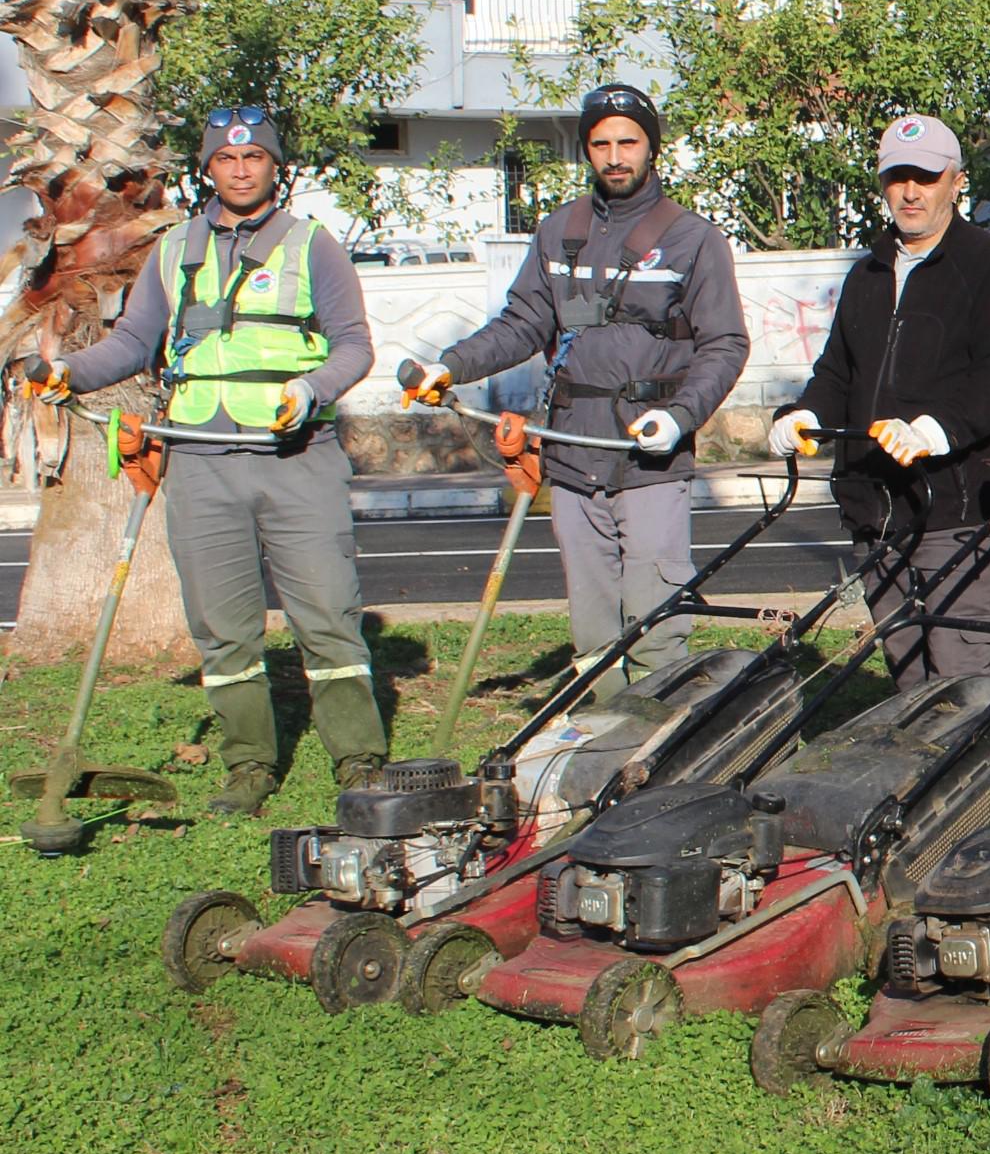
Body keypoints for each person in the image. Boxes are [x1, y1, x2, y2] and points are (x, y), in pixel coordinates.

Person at [29, 108, 386, 813]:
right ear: (209, 168)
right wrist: (69, 372)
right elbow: (134, 341)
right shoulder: (172, 251)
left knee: (327, 613)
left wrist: (309, 389)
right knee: (223, 625)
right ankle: (248, 766)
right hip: (200, 459)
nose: (242, 168)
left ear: (274, 167)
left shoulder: (313, 246)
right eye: (227, 158)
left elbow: (354, 346)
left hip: (295, 455)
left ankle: (360, 759)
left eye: (255, 157)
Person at [409, 84, 748, 694]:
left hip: (651, 459)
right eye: (601, 144)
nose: (615, 156)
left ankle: (660, 753)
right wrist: (451, 366)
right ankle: (599, 744)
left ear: (651, 149)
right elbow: (521, 325)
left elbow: (725, 345)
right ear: (586, 151)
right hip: (569, 455)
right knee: (593, 632)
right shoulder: (558, 231)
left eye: (628, 142)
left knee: (657, 620)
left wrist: (678, 416)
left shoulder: (693, 238)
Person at [768, 117, 990, 691]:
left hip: (953, 503)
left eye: (926, 177)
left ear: (956, 182)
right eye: (897, 177)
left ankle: (986, 774)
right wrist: (805, 414)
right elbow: (838, 370)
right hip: (875, 505)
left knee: (961, 671)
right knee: (907, 665)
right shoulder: (867, 272)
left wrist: (935, 430)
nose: (910, 192)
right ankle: (919, 775)